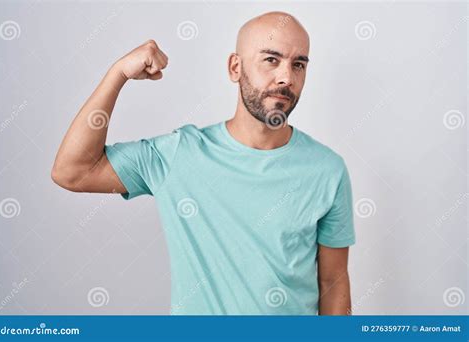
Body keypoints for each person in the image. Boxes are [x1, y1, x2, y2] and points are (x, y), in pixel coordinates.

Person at [51, 11, 356, 315]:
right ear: (235, 67)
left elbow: (333, 281)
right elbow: (73, 172)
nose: (286, 78)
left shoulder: (327, 170)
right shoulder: (179, 154)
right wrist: (117, 74)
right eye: (271, 60)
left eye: (298, 64)